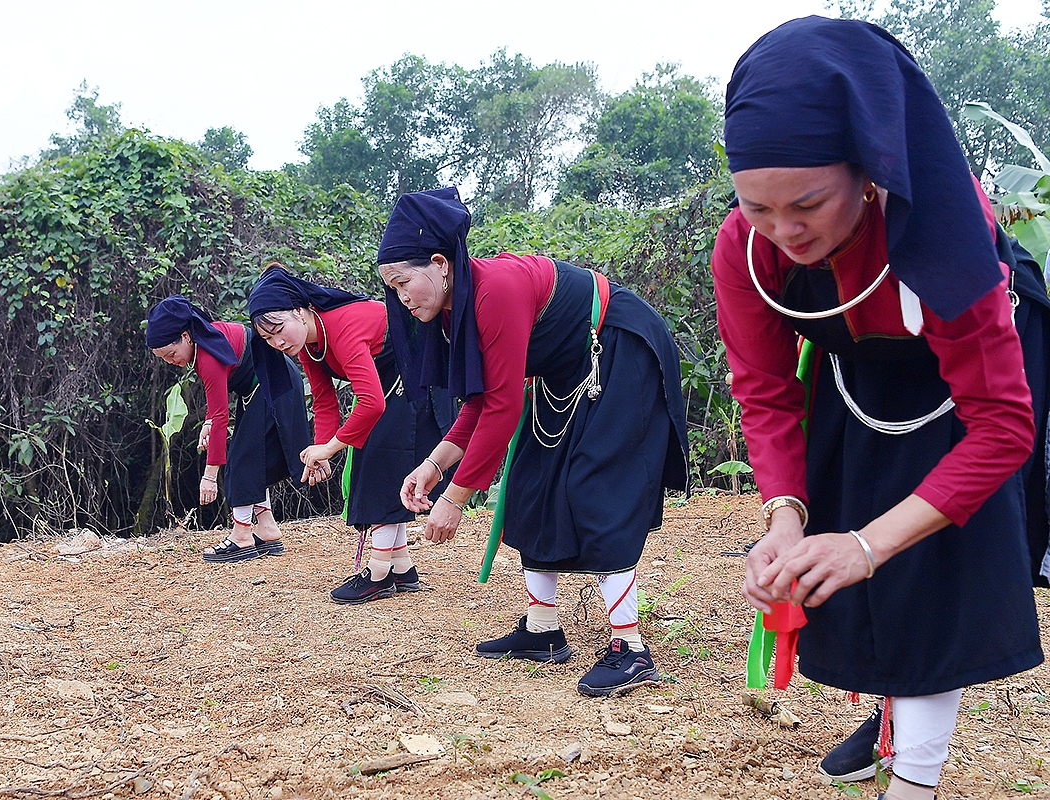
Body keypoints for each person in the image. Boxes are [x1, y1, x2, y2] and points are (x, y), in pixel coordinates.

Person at [712, 17, 1044, 799]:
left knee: (929, 566)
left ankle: (914, 781)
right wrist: (786, 522)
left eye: (807, 204)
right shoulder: (746, 248)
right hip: (856, 376)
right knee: (851, 562)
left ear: (868, 173)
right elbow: (764, 389)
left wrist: (866, 545)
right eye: (757, 206)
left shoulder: (945, 226)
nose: (783, 231)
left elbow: (1003, 424)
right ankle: (890, 710)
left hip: (974, 381)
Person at [376, 187, 689, 697]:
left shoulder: (492, 290)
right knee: (530, 484)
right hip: (564, 370)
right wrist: (434, 466)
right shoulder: (454, 311)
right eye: (393, 288)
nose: (402, 298)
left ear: (440, 263)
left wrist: (455, 498)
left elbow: (502, 407)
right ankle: (543, 630)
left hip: (618, 346)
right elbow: (481, 401)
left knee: (596, 490)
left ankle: (631, 648)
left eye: (405, 282)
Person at [246, 263, 456, 603]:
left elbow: (371, 403)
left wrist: (331, 447)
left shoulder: (341, 327)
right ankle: (401, 568)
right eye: (268, 338)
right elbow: (325, 402)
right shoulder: (311, 345)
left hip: (417, 382)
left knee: (380, 467)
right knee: (378, 463)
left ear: (299, 312)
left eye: (279, 329)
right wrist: (321, 449)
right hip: (392, 387)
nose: (277, 342)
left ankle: (378, 572)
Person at [146, 295, 310, 561]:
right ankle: (267, 529)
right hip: (266, 385)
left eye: (171, 354)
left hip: (272, 384)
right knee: (250, 458)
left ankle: (242, 535)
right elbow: (217, 404)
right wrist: (208, 422)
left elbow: (222, 416)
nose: (171, 361)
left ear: (186, 337)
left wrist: (210, 476)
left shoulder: (207, 355)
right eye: (164, 358)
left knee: (242, 459)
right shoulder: (204, 343)